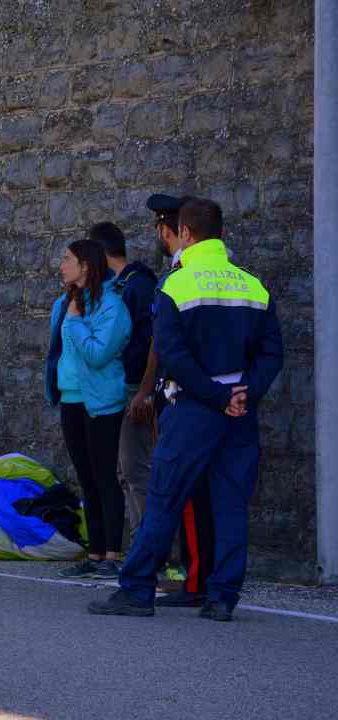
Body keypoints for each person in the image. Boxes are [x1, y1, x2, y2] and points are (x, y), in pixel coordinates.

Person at [89, 198, 283, 621]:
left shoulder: (175, 284)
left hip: (194, 409)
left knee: (163, 498)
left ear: (187, 234)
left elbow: (172, 355)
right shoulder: (253, 284)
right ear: (220, 233)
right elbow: (272, 353)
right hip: (240, 412)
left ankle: (137, 589)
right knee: (231, 503)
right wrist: (243, 392)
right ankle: (222, 597)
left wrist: (214, 396)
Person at [144, 193, 216, 608]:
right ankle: (201, 575)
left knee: (186, 494)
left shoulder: (180, 277)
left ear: (171, 230)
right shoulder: (221, 273)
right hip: (214, 395)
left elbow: (166, 344)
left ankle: (194, 579)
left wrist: (149, 392)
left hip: (187, 397)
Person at [45, 238, 132, 579]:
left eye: (67, 259)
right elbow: (57, 352)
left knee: (105, 477)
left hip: (101, 402)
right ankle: (94, 553)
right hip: (71, 399)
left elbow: (98, 354)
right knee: (86, 478)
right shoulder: (64, 303)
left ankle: (112, 553)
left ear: (85, 266)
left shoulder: (112, 306)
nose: (61, 265)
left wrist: (76, 322)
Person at [89, 222, 158, 540]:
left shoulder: (136, 287)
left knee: (134, 469)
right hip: (120, 388)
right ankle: (142, 545)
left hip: (134, 388)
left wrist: (143, 393)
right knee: (123, 471)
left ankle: (151, 551)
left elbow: (148, 346)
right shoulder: (121, 287)